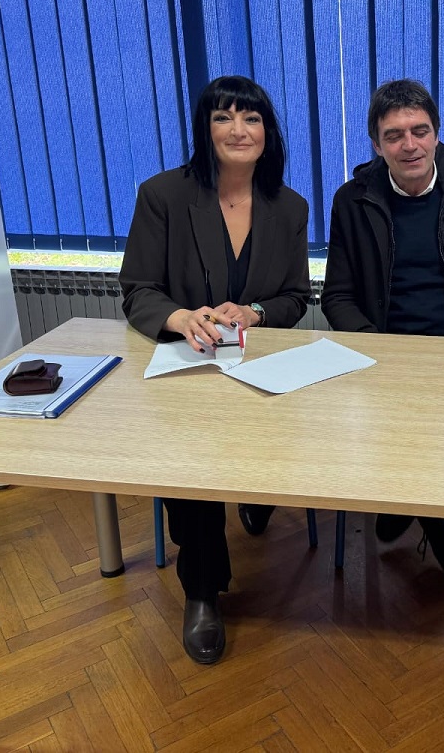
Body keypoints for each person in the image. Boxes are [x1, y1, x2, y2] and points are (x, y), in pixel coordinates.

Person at [120, 76, 310, 664]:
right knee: (191, 466)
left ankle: (255, 494)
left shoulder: (289, 206)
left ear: (267, 131)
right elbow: (137, 289)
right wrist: (180, 317)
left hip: (260, 372)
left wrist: (255, 311)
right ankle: (201, 592)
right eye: (223, 117)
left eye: (251, 118)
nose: (238, 130)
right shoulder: (163, 195)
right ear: (205, 130)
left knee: (274, 441)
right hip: (189, 369)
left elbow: (296, 297)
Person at [323, 78, 444, 581]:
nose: (409, 145)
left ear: (437, 133)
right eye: (394, 135)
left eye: (420, 131)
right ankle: (427, 515)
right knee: (386, 425)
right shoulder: (351, 200)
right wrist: (380, 351)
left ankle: (415, 506)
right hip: (381, 356)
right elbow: (337, 297)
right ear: (376, 144)